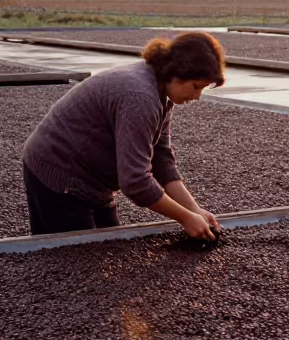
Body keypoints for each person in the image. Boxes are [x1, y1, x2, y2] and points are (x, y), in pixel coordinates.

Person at [21, 32, 224, 241]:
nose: (197, 96)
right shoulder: (140, 97)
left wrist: (195, 210)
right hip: (59, 174)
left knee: (110, 246)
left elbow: (161, 157)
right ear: (177, 72)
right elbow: (136, 182)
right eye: (196, 86)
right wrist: (185, 218)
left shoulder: (161, 89)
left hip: (94, 183)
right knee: (72, 263)